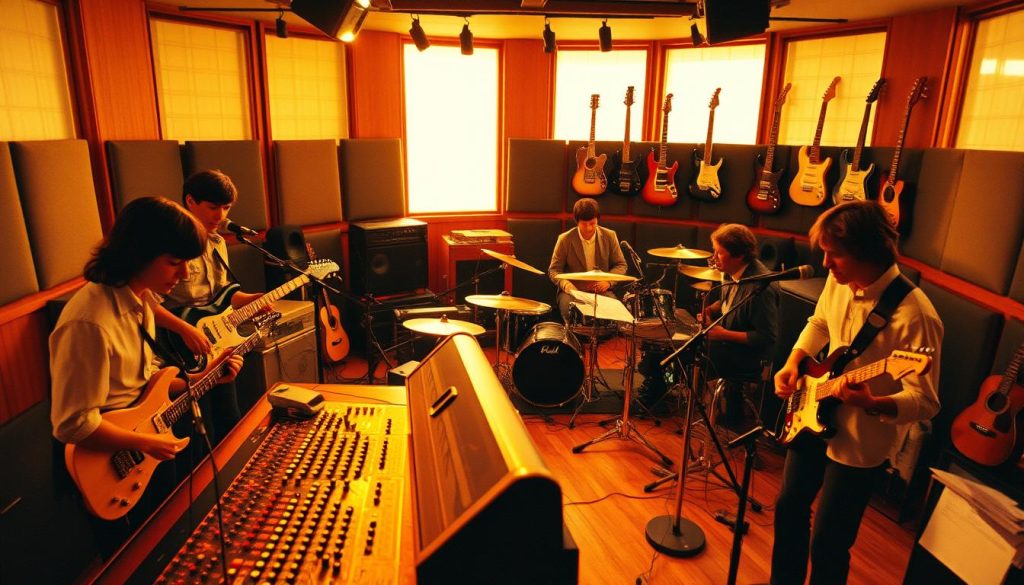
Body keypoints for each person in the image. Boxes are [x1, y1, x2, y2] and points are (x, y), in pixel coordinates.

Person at [50, 197, 243, 548]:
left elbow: (148, 384)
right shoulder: (89, 322)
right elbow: (73, 424)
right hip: (110, 463)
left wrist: (205, 378)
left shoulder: (141, 300)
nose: (183, 274)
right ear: (137, 254)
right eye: (174, 263)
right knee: (135, 559)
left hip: (146, 447)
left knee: (166, 543)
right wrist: (146, 442)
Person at [770, 201, 942, 585]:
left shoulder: (917, 316)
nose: (826, 264)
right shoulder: (839, 280)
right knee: (788, 510)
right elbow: (819, 322)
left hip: (860, 442)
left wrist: (874, 402)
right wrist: (794, 361)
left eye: (836, 255)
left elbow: (927, 401)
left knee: (829, 542)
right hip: (811, 415)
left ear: (869, 251)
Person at [157, 169, 263, 444]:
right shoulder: (169, 243)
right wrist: (184, 329)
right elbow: (143, 302)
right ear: (190, 201)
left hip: (215, 339)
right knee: (197, 428)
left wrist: (255, 300)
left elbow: (223, 296)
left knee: (230, 417)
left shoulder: (217, 242)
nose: (221, 216)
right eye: (213, 207)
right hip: (178, 344)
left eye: (226, 208)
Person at [698, 224, 779, 427]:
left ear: (739, 256)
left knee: (691, 352)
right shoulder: (730, 271)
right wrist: (713, 309)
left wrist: (724, 334)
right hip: (728, 345)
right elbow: (730, 303)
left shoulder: (761, 287)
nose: (714, 258)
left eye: (719, 253)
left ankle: (726, 417)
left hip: (748, 357)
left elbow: (766, 337)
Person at [547, 198, 628, 322]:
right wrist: (568, 286)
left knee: (613, 317)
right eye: (584, 224)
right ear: (577, 222)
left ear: (597, 219)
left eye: (592, 223)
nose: (589, 228)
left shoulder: (610, 236)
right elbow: (554, 270)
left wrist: (608, 282)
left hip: (601, 291)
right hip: (572, 292)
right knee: (572, 315)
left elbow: (621, 265)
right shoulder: (565, 239)